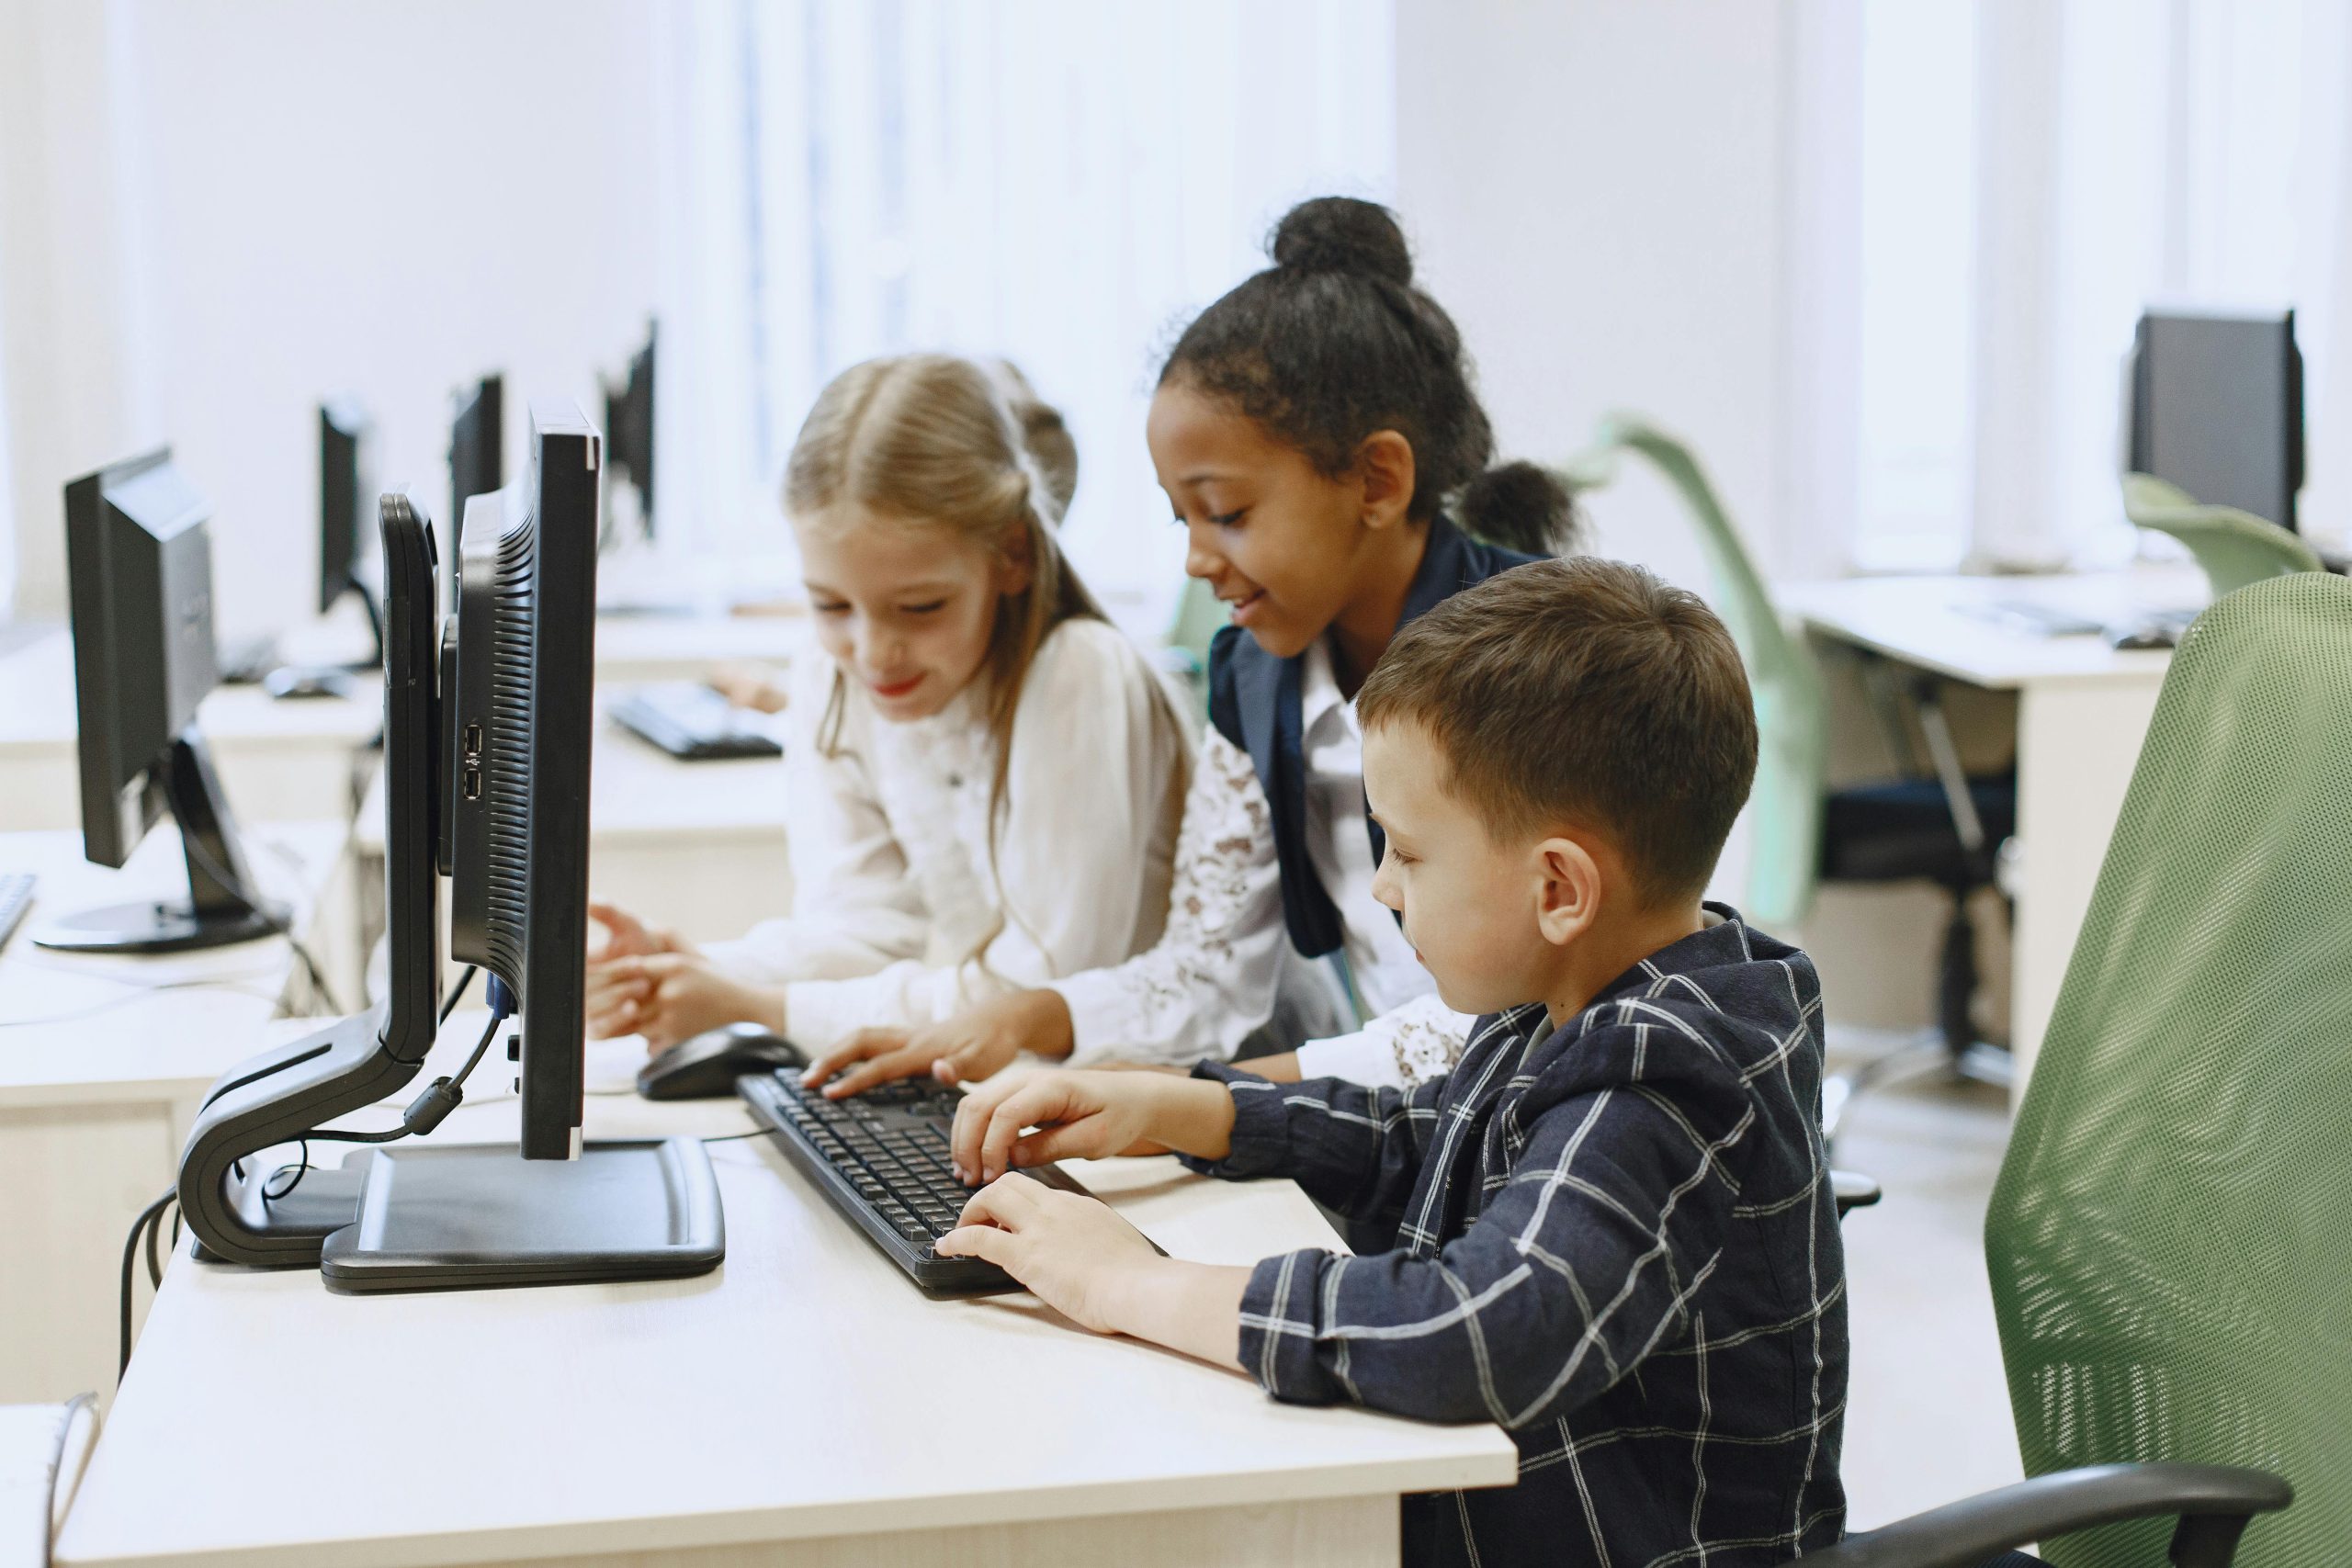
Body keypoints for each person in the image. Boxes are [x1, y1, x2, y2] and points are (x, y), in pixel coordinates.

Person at [935, 558, 1848, 1568]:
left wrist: (1126, 1286)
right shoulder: (1571, 998)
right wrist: (1176, 1108)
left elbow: (1478, 1332)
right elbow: (1435, 1141)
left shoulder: (1662, 1074)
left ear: (1558, 888)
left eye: (1407, 853)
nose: (1380, 888)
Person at [804, 195, 1578, 1099]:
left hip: (1555, 1133)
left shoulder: (1543, 661)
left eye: (1229, 514)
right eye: (1183, 516)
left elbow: (1516, 1021)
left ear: (1376, 479)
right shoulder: (1255, 673)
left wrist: (1207, 1104)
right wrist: (1016, 1021)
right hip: (1397, 1128)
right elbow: (1204, 974)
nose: (1197, 560)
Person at [586, 355, 1190, 1055]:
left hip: (1174, 1086)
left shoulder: (1081, 675)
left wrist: (758, 1005)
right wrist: (691, 971)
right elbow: (861, 927)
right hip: (1041, 1087)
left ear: (1012, 556)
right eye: (830, 604)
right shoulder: (831, 669)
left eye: (920, 606)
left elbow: (1031, 999)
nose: (872, 652)